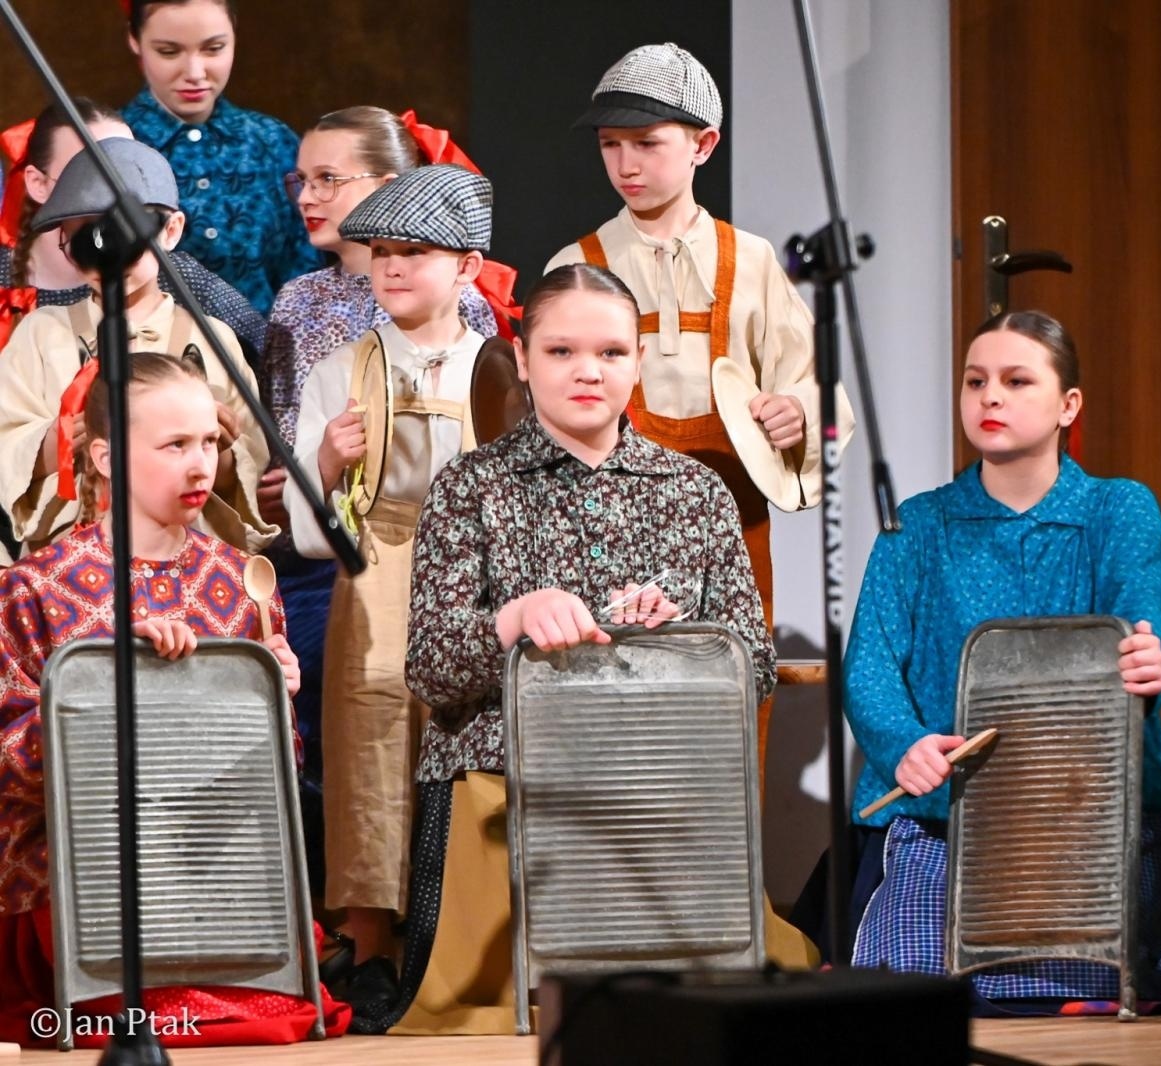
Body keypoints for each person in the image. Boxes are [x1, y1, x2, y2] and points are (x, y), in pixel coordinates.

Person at [353, 264, 776, 1035]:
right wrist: (512, 618)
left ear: (638, 361)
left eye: (612, 353)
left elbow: (755, 663)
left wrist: (679, 641)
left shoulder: (696, 491)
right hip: (506, 790)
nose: (589, 371)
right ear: (522, 358)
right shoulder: (470, 486)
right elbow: (433, 669)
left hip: (655, 793)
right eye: (562, 352)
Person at [842, 310, 1161, 1014]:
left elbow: (1139, 628)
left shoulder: (1117, 509)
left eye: (1016, 380)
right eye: (976, 381)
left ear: (1069, 404)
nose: (990, 397)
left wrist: (1143, 664)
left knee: (1086, 983)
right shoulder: (917, 523)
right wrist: (905, 744)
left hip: (1084, 818)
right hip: (946, 817)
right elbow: (871, 667)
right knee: (919, 993)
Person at [0, 351, 350, 1048]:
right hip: (88, 874)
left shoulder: (240, 576)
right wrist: (103, 690)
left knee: (270, 1003)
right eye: (175, 445)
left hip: (210, 863)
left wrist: (271, 700)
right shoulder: (36, 586)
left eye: (211, 443)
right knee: (175, 1001)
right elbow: (9, 766)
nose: (202, 465)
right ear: (103, 456)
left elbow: (266, 783)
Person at [548, 42, 854, 775]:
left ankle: (724, 883)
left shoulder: (750, 261)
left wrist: (799, 416)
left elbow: (815, 383)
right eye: (611, 145)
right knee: (611, 690)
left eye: (647, 144)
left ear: (702, 145)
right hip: (609, 513)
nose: (627, 164)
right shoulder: (576, 265)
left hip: (731, 516)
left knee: (729, 688)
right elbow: (550, 403)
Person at [258, 107, 500, 895]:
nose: (392, 269)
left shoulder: (492, 367)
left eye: (415, 254)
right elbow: (307, 520)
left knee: (464, 732)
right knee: (370, 734)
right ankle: (370, 929)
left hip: (471, 574)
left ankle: (460, 920)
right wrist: (325, 461)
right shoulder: (342, 367)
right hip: (376, 565)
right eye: (384, 253)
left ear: (466, 267)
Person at [0, 137, 273, 566]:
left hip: (186, 561)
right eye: (89, 237)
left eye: (128, 233)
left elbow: (248, 461)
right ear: (66, 243)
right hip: (70, 564)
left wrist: (213, 448)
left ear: (171, 230)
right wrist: (56, 444)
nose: (111, 254)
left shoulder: (210, 336)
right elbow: (5, 441)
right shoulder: (41, 334)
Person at [0, 97, 265, 359]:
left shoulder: (174, 274)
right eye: (82, 169)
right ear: (37, 183)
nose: (110, 188)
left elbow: (265, 351)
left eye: (126, 165)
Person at [122, 0, 322, 314]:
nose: (194, 72)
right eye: (169, 52)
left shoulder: (274, 142)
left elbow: (310, 267)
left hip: (269, 356)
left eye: (213, 48)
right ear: (134, 40)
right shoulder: (114, 146)